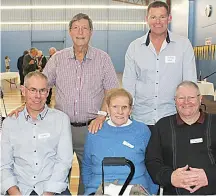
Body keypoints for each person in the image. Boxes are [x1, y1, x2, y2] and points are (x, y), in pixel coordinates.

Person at [10, 13, 119, 194]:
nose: (80, 32)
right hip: (60, 127)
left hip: (92, 128)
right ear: (70, 32)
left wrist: (102, 116)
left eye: (84, 28)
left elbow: (112, 92)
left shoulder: (103, 59)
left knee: (90, 174)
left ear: (91, 32)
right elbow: (41, 85)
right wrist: (25, 106)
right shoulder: (57, 59)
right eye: (76, 28)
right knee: (58, 172)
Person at [122, 1, 197, 131]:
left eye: (162, 17)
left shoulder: (183, 45)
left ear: (169, 18)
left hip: (172, 116)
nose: (158, 21)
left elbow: (190, 83)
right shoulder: (134, 47)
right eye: (153, 17)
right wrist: (126, 111)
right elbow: (129, 82)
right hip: (141, 118)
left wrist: (189, 112)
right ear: (147, 19)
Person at [1, 71, 73, 196]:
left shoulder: (61, 120)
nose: (37, 96)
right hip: (19, 187)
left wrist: (49, 192)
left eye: (42, 90)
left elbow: (64, 161)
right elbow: (3, 164)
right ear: (23, 91)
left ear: (48, 92)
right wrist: (14, 192)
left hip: (52, 188)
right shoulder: (9, 123)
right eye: (33, 90)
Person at [82, 88, 158, 195]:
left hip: (135, 188)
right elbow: (87, 165)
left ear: (130, 110)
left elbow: (152, 165)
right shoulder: (95, 131)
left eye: (124, 107)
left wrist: (152, 192)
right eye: (115, 107)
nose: (120, 112)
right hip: (99, 188)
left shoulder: (142, 131)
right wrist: (90, 189)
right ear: (107, 109)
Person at [145, 81, 216, 195]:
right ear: (175, 101)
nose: (186, 102)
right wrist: (171, 177)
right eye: (181, 98)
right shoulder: (162, 126)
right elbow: (152, 161)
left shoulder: (214, 123)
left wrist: (209, 176)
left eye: (191, 97)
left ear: (200, 98)